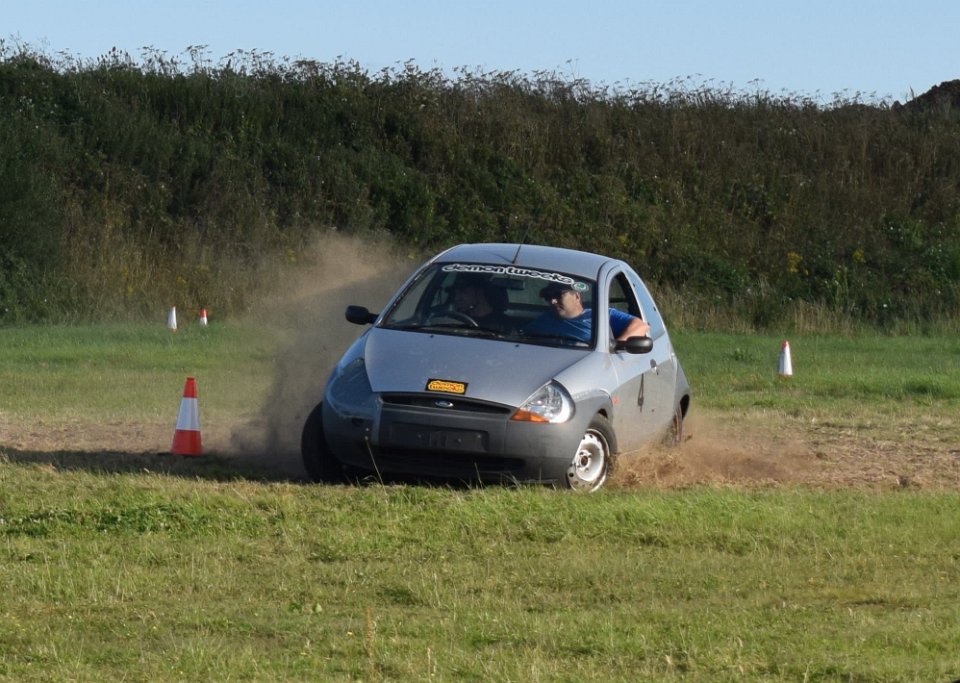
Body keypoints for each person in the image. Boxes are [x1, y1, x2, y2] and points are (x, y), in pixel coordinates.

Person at [524, 282, 649, 343]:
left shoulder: (600, 316)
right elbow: (523, 337)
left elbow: (641, 326)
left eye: (558, 295)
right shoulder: (544, 320)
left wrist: (617, 346)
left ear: (577, 296)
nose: (552, 301)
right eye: (548, 297)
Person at [447, 273, 514, 331]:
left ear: (480, 292)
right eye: (455, 293)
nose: (456, 298)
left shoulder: (504, 324)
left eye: (462, 291)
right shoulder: (455, 319)